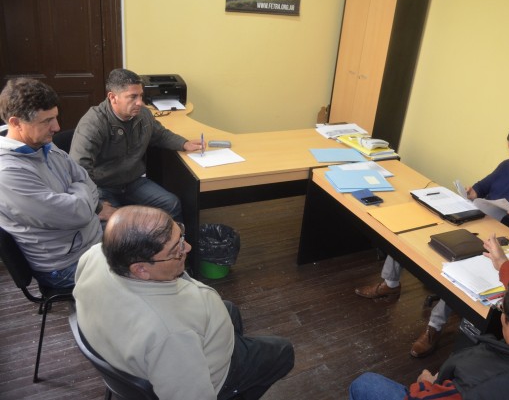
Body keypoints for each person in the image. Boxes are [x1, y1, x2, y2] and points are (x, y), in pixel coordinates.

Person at [355, 124, 509, 357]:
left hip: (506, 241)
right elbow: (483, 186)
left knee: (460, 271)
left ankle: (434, 327)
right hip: (482, 223)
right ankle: (390, 283)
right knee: (412, 232)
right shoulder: (507, 166)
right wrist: (472, 192)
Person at [348, 235, 509, 400]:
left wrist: (426, 385)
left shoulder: (480, 387)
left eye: (503, 311)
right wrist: (502, 264)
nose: (501, 309)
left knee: (365, 384)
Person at [74, 205, 294, 400]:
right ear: (141, 269)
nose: (187, 247)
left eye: (180, 236)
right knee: (283, 351)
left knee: (229, 309)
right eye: (175, 250)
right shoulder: (170, 333)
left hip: (127, 346)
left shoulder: (95, 255)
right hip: (196, 374)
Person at [0, 78, 112, 288]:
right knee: (141, 271)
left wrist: (77, 193)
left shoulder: (43, 144)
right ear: (15, 123)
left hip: (90, 239)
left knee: (147, 238)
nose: (57, 127)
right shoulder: (7, 173)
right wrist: (79, 190)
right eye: (47, 121)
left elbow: (85, 179)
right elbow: (77, 213)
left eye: (55, 117)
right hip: (64, 264)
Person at [69, 68, 202, 223]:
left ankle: (177, 238)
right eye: (133, 97)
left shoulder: (143, 114)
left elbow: (160, 134)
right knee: (116, 224)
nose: (140, 102)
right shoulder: (93, 123)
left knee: (171, 204)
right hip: (103, 187)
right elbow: (79, 168)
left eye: (140, 96)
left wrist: (184, 143)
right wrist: (96, 205)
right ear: (113, 97)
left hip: (133, 182)